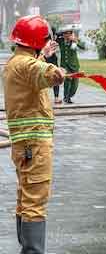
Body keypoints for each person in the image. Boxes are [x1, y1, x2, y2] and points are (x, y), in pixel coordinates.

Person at [4, 15, 66, 254]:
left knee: (25, 195)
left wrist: (43, 54)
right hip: (35, 144)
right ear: (36, 42)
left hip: (25, 145)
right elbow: (45, 73)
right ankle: (32, 251)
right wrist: (56, 70)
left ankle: (26, 248)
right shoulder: (27, 66)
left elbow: (31, 68)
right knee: (35, 200)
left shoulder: (16, 63)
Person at [58, 26, 85, 104]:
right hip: (65, 66)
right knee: (67, 81)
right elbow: (55, 36)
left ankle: (70, 95)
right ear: (63, 35)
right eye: (66, 34)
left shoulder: (74, 41)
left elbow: (83, 47)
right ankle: (66, 97)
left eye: (69, 33)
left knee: (75, 84)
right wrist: (61, 33)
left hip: (74, 65)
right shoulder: (61, 41)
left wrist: (75, 40)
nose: (68, 35)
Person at [47, 26, 62, 105]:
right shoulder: (46, 39)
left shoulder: (56, 39)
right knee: (46, 78)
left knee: (56, 78)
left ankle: (56, 98)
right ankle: (46, 97)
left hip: (53, 61)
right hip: (46, 61)